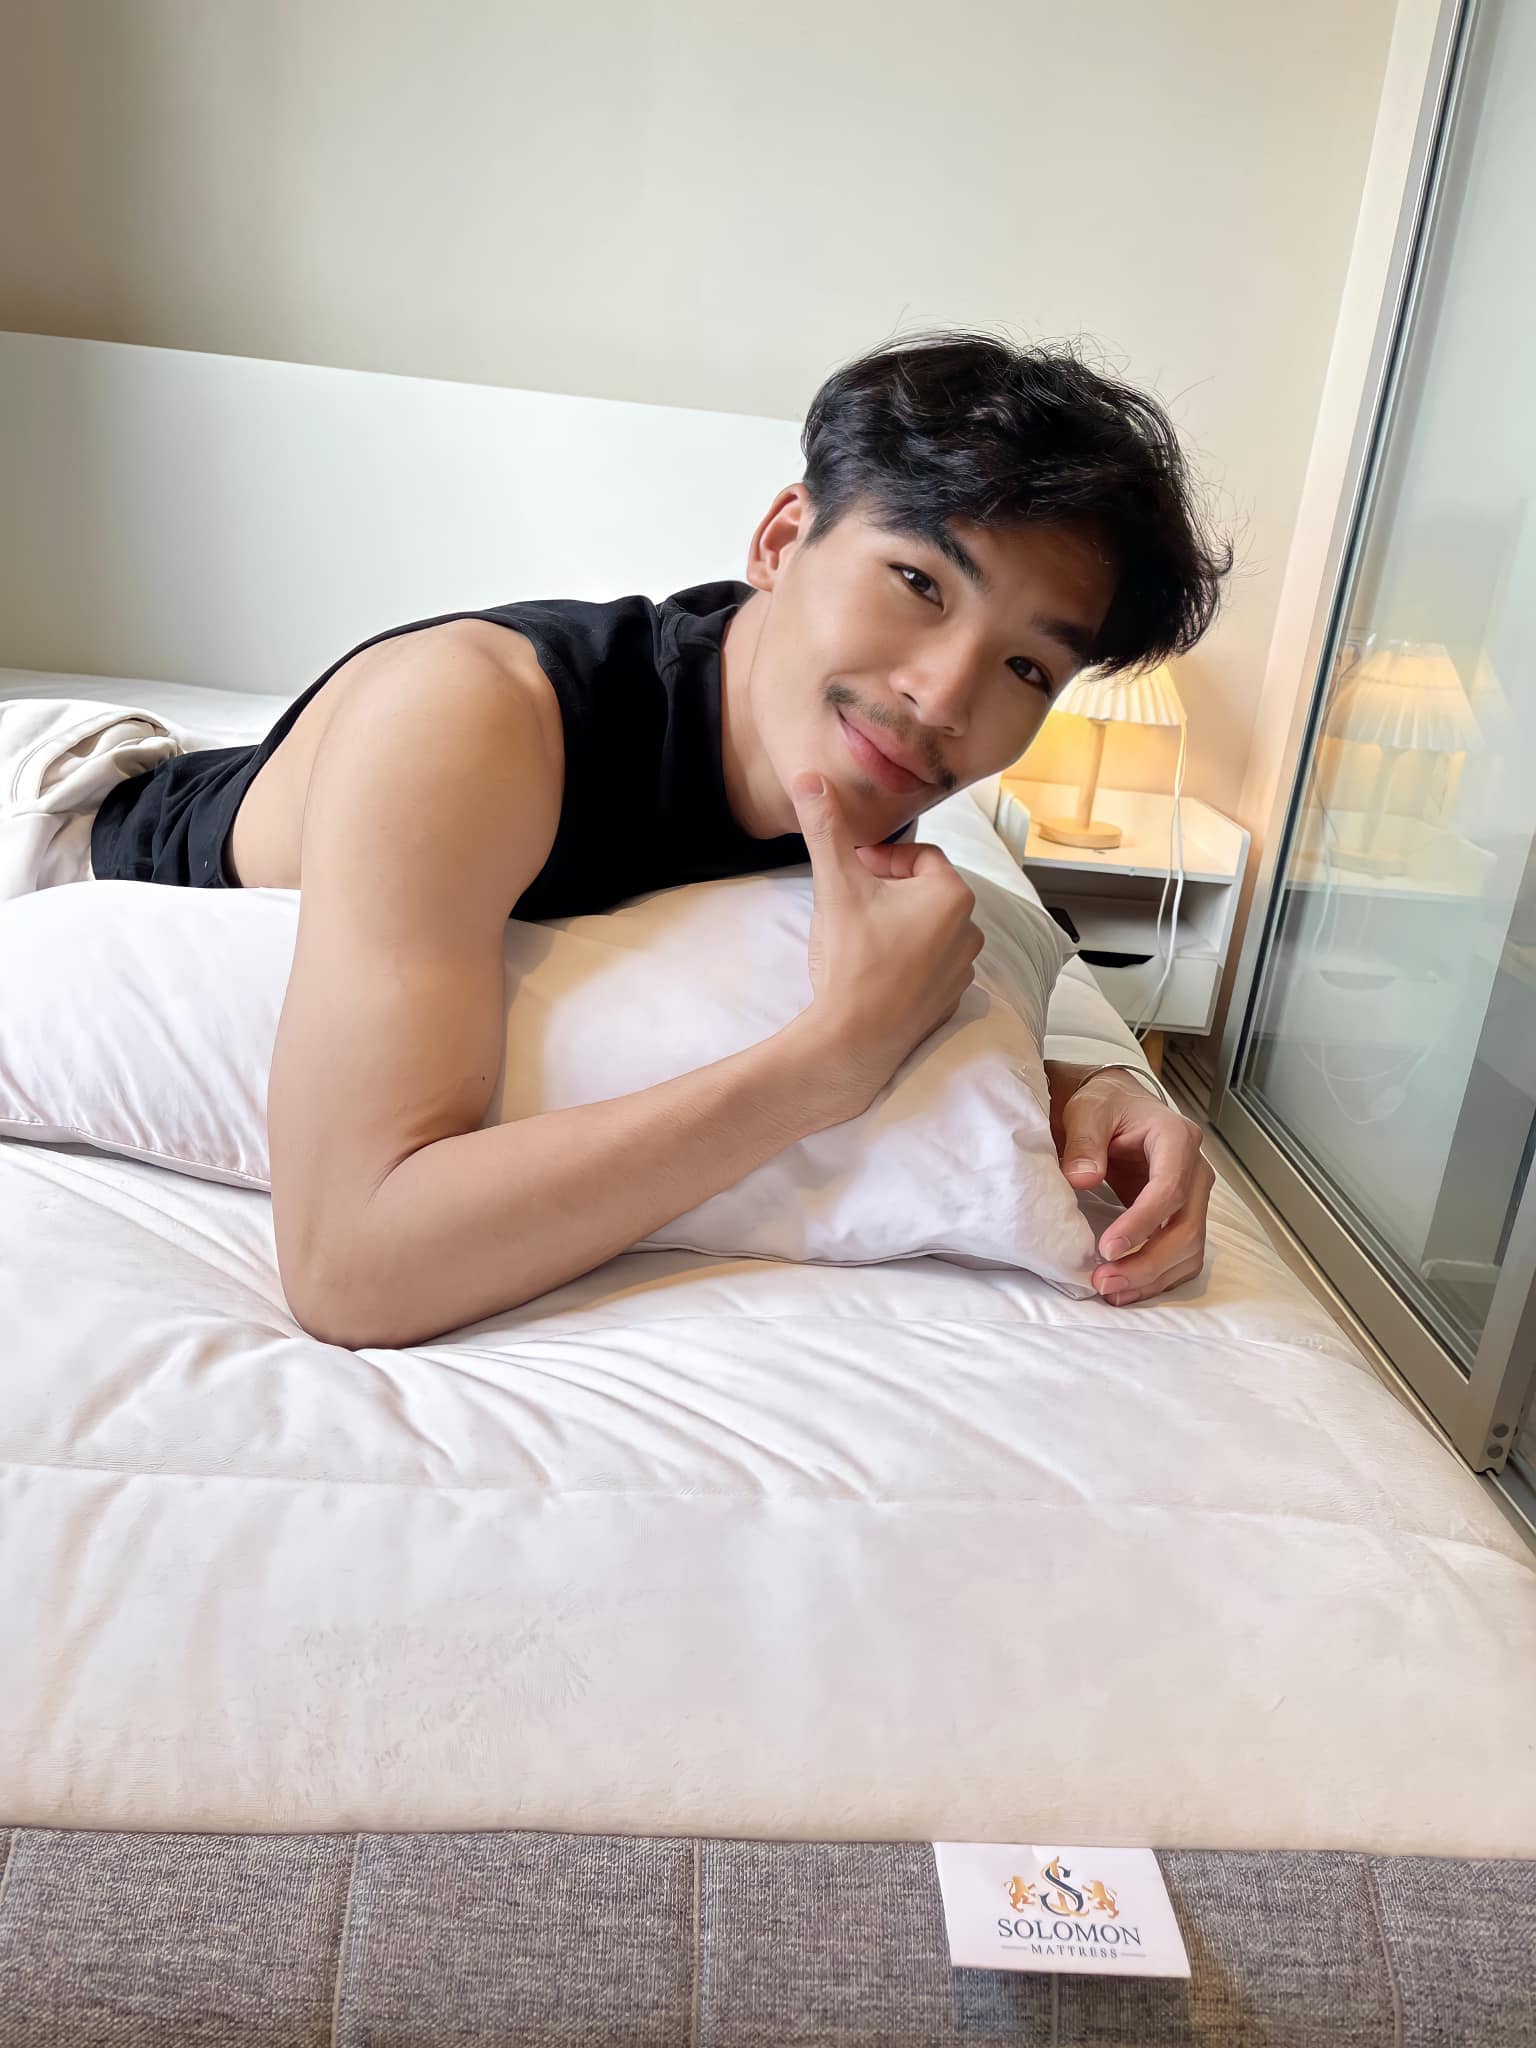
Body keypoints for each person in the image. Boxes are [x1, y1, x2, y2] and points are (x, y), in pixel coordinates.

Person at [91, 330, 1231, 1348]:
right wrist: (826, 1062)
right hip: (72, 822)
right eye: (917, 582)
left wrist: (1074, 1086)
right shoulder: (467, 716)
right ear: (782, 539)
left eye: (1026, 665)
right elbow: (350, 1268)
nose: (943, 697)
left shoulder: (869, 762)